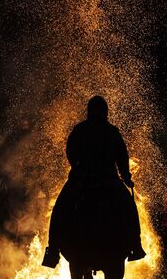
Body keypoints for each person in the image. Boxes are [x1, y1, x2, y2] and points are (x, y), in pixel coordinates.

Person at [43, 96, 146, 267]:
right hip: (107, 180)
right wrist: (126, 177)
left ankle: (53, 249)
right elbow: (121, 156)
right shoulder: (110, 131)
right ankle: (135, 245)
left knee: (61, 207)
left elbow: (71, 152)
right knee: (128, 206)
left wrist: (78, 167)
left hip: (85, 180)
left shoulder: (82, 130)